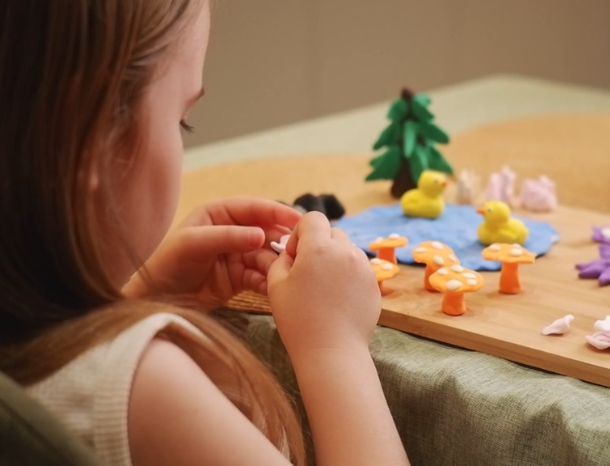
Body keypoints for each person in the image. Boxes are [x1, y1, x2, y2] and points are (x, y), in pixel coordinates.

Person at [0, 1, 409, 465]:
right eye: (180, 118)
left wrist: (142, 299)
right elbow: (98, 393)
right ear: (94, 139)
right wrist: (334, 348)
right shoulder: (148, 390)